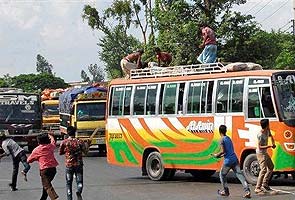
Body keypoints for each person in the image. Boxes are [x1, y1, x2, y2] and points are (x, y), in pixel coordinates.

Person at [212, 125, 251, 198]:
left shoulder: (221, 139)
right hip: (234, 159)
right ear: (225, 131)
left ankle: (225, 191)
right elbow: (228, 151)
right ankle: (247, 191)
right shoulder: (228, 138)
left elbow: (223, 151)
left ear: (219, 131)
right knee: (240, 175)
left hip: (228, 161)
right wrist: (220, 156)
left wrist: (217, 155)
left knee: (222, 175)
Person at [59, 126, 90, 200]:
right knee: (79, 182)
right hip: (79, 164)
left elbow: (60, 152)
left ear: (67, 133)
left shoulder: (64, 142)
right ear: (75, 133)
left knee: (68, 183)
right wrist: (88, 145)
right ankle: (78, 191)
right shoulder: (80, 141)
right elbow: (85, 152)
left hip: (69, 165)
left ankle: (69, 198)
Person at [27, 132, 59, 200]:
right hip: (53, 169)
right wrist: (49, 135)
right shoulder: (50, 146)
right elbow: (53, 140)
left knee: (47, 186)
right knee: (46, 185)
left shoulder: (37, 150)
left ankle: (54, 198)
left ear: (39, 142)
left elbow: (29, 160)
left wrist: (37, 158)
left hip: (44, 170)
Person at [255, 118, 276, 194]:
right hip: (260, 153)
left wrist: (273, 143)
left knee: (271, 167)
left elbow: (270, 136)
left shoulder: (267, 130)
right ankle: (257, 188)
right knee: (263, 170)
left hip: (265, 152)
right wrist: (269, 146)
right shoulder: (260, 135)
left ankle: (265, 184)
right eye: (268, 124)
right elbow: (260, 146)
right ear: (266, 125)